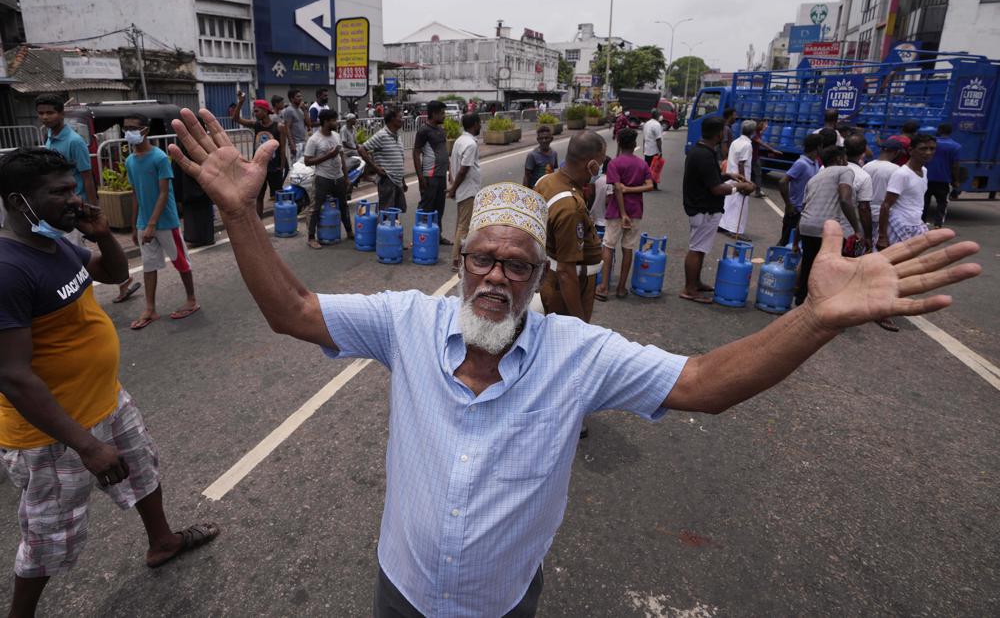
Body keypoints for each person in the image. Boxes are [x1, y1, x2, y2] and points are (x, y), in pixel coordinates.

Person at [165, 106, 980, 618]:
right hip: (400, 597)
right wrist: (240, 215)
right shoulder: (406, 322)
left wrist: (814, 317)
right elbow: (293, 312)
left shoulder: (576, 352)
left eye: (516, 265)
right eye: (482, 258)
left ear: (537, 276)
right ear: (461, 259)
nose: (495, 278)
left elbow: (703, 385)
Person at [0, 148, 218, 618]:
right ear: (20, 202)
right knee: (49, 535)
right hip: (53, 434)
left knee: (143, 470)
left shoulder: (54, 242)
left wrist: (103, 237)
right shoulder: (8, 270)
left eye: (72, 187)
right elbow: (12, 377)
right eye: (58, 193)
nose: (73, 199)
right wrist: (86, 446)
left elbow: (114, 274)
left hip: (107, 401)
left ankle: (162, 542)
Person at [125, 118, 200, 330]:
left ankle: (191, 299)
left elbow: (163, 193)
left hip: (165, 222)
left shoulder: (159, 158)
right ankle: (150, 308)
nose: (129, 132)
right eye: (126, 128)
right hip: (144, 224)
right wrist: (135, 225)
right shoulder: (130, 161)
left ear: (145, 130)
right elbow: (135, 194)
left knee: (181, 262)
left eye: (133, 128)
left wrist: (151, 224)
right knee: (149, 265)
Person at [533, 131, 605, 324]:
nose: (601, 167)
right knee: (565, 341)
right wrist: (579, 324)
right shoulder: (570, 208)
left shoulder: (545, 181)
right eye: (601, 161)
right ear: (591, 165)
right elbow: (566, 272)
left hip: (550, 277)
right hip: (567, 288)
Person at [681, 116, 754, 303]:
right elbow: (715, 188)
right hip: (703, 209)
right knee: (696, 249)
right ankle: (690, 289)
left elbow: (710, 179)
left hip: (703, 207)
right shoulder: (704, 155)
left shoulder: (702, 150)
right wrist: (740, 188)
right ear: (719, 133)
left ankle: (695, 283)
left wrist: (727, 175)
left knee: (700, 248)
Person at [795, 146, 862, 305]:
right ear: (839, 159)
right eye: (845, 158)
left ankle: (800, 300)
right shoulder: (845, 171)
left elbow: (804, 209)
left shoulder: (815, 178)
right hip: (827, 229)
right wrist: (858, 229)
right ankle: (821, 305)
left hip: (806, 226)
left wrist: (796, 240)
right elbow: (845, 199)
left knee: (808, 264)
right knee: (828, 269)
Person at [596, 128, 652, 301]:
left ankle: (604, 287)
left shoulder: (615, 164)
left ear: (619, 143)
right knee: (628, 248)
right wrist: (633, 190)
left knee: (608, 246)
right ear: (635, 144)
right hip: (636, 211)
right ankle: (621, 288)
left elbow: (618, 189)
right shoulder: (642, 164)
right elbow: (650, 185)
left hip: (616, 212)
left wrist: (622, 212)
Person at [36, 94, 96, 247]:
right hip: (58, 206)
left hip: (74, 207)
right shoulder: (49, 137)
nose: (45, 117)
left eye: (50, 113)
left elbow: (87, 177)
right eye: (41, 113)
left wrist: (92, 211)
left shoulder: (74, 141)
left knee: (77, 254)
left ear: (61, 114)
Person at [878, 130, 937, 252]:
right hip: (898, 225)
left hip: (915, 225)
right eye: (923, 149)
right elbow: (886, 205)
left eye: (932, 149)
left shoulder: (924, 171)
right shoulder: (902, 174)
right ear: (911, 151)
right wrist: (882, 237)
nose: (928, 152)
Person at [305, 110, 353, 249]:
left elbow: (341, 157)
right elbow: (308, 161)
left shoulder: (337, 136)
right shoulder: (314, 139)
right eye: (333, 120)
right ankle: (311, 237)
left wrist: (346, 177)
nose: (336, 122)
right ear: (326, 122)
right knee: (315, 208)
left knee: (343, 205)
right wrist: (329, 155)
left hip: (338, 177)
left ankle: (349, 232)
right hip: (322, 178)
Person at [235, 98, 287, 218]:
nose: (255, 113)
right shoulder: (256, 125)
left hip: (275, 167)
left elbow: (283, 148)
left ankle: (282, 220)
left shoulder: (279, 127)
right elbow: (236, 119)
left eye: (257, 111)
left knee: (278, 196)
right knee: (259, 196)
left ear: (265, 111)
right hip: (259, 167)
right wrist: (241, 102)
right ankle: (259, 223)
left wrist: (282, 166)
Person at [413, 101, 452, 245]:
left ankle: (437, 235)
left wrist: (449, 170)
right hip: (429, 176)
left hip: (441, 175)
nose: (444, 115)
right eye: (442, 112)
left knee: (439, 208)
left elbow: (444, 151)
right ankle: (420, 235)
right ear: (434, 113)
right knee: (426, 207)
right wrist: (420, 177)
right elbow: (416, 153)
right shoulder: (423, 131)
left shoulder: (440, 130)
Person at [447, 113, 482, 271]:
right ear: (475, 124)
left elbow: (452, 163)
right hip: (467, 189)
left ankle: (457, 257)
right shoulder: (471, 144)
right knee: (464, 226)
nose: (481, 126)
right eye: (480, 123)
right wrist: (453, 188)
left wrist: (453, 183)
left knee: (460, 224)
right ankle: (456, 261)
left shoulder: (460, 141)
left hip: (462, 187)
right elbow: (463, 170)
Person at [360, 107, 408, 215]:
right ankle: (383, 232)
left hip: (397, 180)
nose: (403, 120)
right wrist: (375, 168)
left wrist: (403, 181)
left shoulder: (397, 136)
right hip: (387, 180)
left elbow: (399, 160)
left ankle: (392, 232)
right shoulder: (381, 135)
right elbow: (362, 149)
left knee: (396, 212)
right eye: (400, 117)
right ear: (392, 119)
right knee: (386, 213)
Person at [777, 132, 822, 247]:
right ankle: (773, 262)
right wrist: (788, 204)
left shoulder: (815, 163)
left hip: (805, 212)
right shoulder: (801, 163)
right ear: (818, 147)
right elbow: (783, 182)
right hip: (795, 212)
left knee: (796, 245)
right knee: (784, 243)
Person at [863, 137, 903, 249]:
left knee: (866, 246)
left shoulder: (867, 166)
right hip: (884, 215)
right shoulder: (896, 170)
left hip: (866, 212)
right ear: (896, 152)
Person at [719, 120, 755, 239]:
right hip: (739, 177)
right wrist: (744, 182)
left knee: (729, 203)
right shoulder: (747, 145)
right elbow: (741, 164)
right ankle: (735, 231)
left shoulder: (735, 142)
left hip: (731, 176)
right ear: (753, 132)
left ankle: (723, 225)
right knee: (740, 206)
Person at [923, 123, 960, 228]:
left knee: (924, 202)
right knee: (942, 203)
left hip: (926, 177)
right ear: (950, 132)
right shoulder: (955, 146)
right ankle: (938, 225)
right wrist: (956, 180)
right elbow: (955, 165)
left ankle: (921, 223)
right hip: (943, 180)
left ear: (939, 130)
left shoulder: (930, 143)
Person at [843, 132, 874, 254]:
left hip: (820, 228)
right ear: (864, 151)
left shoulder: (826, 167)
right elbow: (864, 209)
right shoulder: (863, 176)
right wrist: (868, 237)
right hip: (846, 232)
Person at [750, 118, 782, 197]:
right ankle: (753, 191)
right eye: (762, 124)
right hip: (750, 158)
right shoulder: (754, 134)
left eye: (764, 124)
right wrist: (773, 150)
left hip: (755, 157)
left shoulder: (757, 132)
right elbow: (762, 144)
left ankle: (757, 191)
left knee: (758, 174)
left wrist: (765, 128)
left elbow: (761, 132)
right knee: (754, 174)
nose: (763, 126)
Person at [281, 89, 309, 162]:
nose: (301, 98)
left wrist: (305, 110)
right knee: (297, 167)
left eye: (301, 96)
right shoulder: (289, 110)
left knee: (303, 167)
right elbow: (287, 128)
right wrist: (292, 144)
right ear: (292, 98)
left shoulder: (300, 110)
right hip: (296, 144)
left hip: (303, 142)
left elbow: (308, 124)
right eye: (298, 96)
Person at [641, 110, 663, 190]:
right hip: (654, 150)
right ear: (657, 116)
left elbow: (644, 137)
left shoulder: (647, 123)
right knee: (654, 169)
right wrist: (660, 151)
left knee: (648, 168)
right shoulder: (657, 125)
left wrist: (644, 148)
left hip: (647, 149)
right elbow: (658, 139)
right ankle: (653, 185)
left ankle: (647, 184)